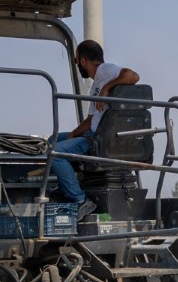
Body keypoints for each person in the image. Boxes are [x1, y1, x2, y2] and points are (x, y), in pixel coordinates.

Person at [48, 40, 140, 207]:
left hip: (99, 139)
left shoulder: (104, 71)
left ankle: (79, 199)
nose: (78, 65)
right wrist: (74, 133)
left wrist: (107, 88)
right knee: (52, 140)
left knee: (55, 152)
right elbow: (91, 119)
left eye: (76, 61)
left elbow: (133, 76)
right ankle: (66, 188)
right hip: (93, 132)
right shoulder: (96, 84)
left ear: (83, 61)